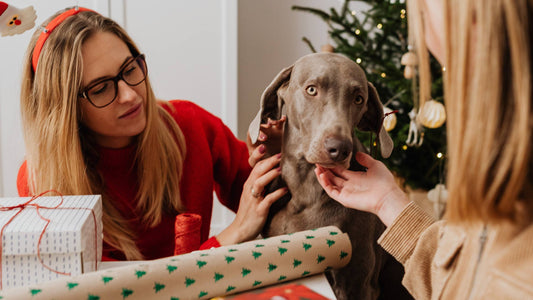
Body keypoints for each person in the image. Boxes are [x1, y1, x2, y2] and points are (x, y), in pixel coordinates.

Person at [16, 7, 287, 261]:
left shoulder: (189, 124)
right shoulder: (42, 183)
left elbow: (273, 196)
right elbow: (109, 290)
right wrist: (231, 236)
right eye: (101, 89)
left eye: (130, 69)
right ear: (64, 110)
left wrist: (286, 160)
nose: (130, 95)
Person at [315, 0, 532, 299]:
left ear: (472, 18)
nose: (424, 35)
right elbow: (462, 276)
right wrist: (388, 201)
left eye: (422, 12)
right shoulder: (500, 167)